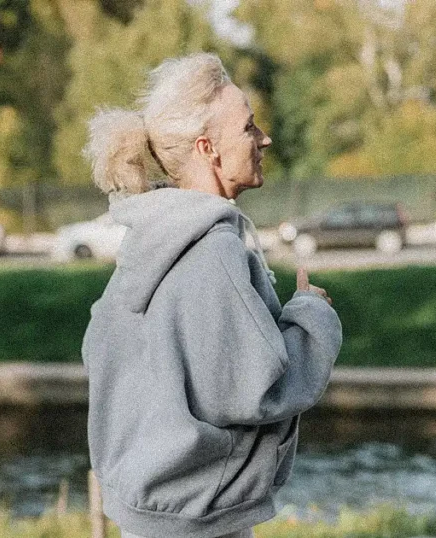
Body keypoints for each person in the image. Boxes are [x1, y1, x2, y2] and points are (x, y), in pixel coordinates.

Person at [81, 53, 343, 538]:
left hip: (155, 513)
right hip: (199, 522)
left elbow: (103, 353)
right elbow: (253, 390)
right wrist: (312, 320)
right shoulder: (212, 248)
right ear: (209, 149)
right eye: (247, 128)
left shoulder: (151, 236)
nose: (264, 138)